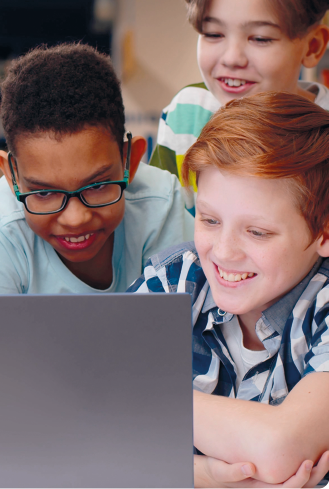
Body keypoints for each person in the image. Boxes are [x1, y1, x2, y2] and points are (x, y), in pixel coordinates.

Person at [129, 92, 329, 488]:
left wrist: (138, 400)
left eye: (257, 232)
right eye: (209, 220)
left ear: (324, 232)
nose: (222, 253)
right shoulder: (175, 281)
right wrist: (200, 474)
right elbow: (86, 414)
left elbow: (277, 450)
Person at [0, 43, 194, 294]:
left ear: (130, 160)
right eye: (43, 193)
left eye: (97, 186)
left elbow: (186, 326)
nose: (76, 219)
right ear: (12, 176)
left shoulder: (161, 205)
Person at [150, 0, 329, 212]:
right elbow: (162, 226)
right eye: (213, 34)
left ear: (312, 47)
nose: (232, 57)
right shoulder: (186, 115)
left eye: (260, 38)